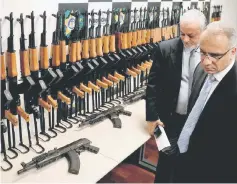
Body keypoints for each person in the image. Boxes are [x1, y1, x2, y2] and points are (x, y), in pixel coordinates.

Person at [145, 9, 206, 182]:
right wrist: (152, 116)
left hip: (196, 119)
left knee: (189, 164)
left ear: (203, 31)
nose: (185, 39)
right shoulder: (165, 49)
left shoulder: (209, 52)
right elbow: (153, 86)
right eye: (182, 34)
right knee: (165, 164)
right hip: (171, 118)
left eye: (191, 35)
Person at [173, 21, 237, 182]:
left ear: (233, 52)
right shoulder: (200, 70)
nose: (206, 62)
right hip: (184, 159)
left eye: (215, 56)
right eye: (202, 53)